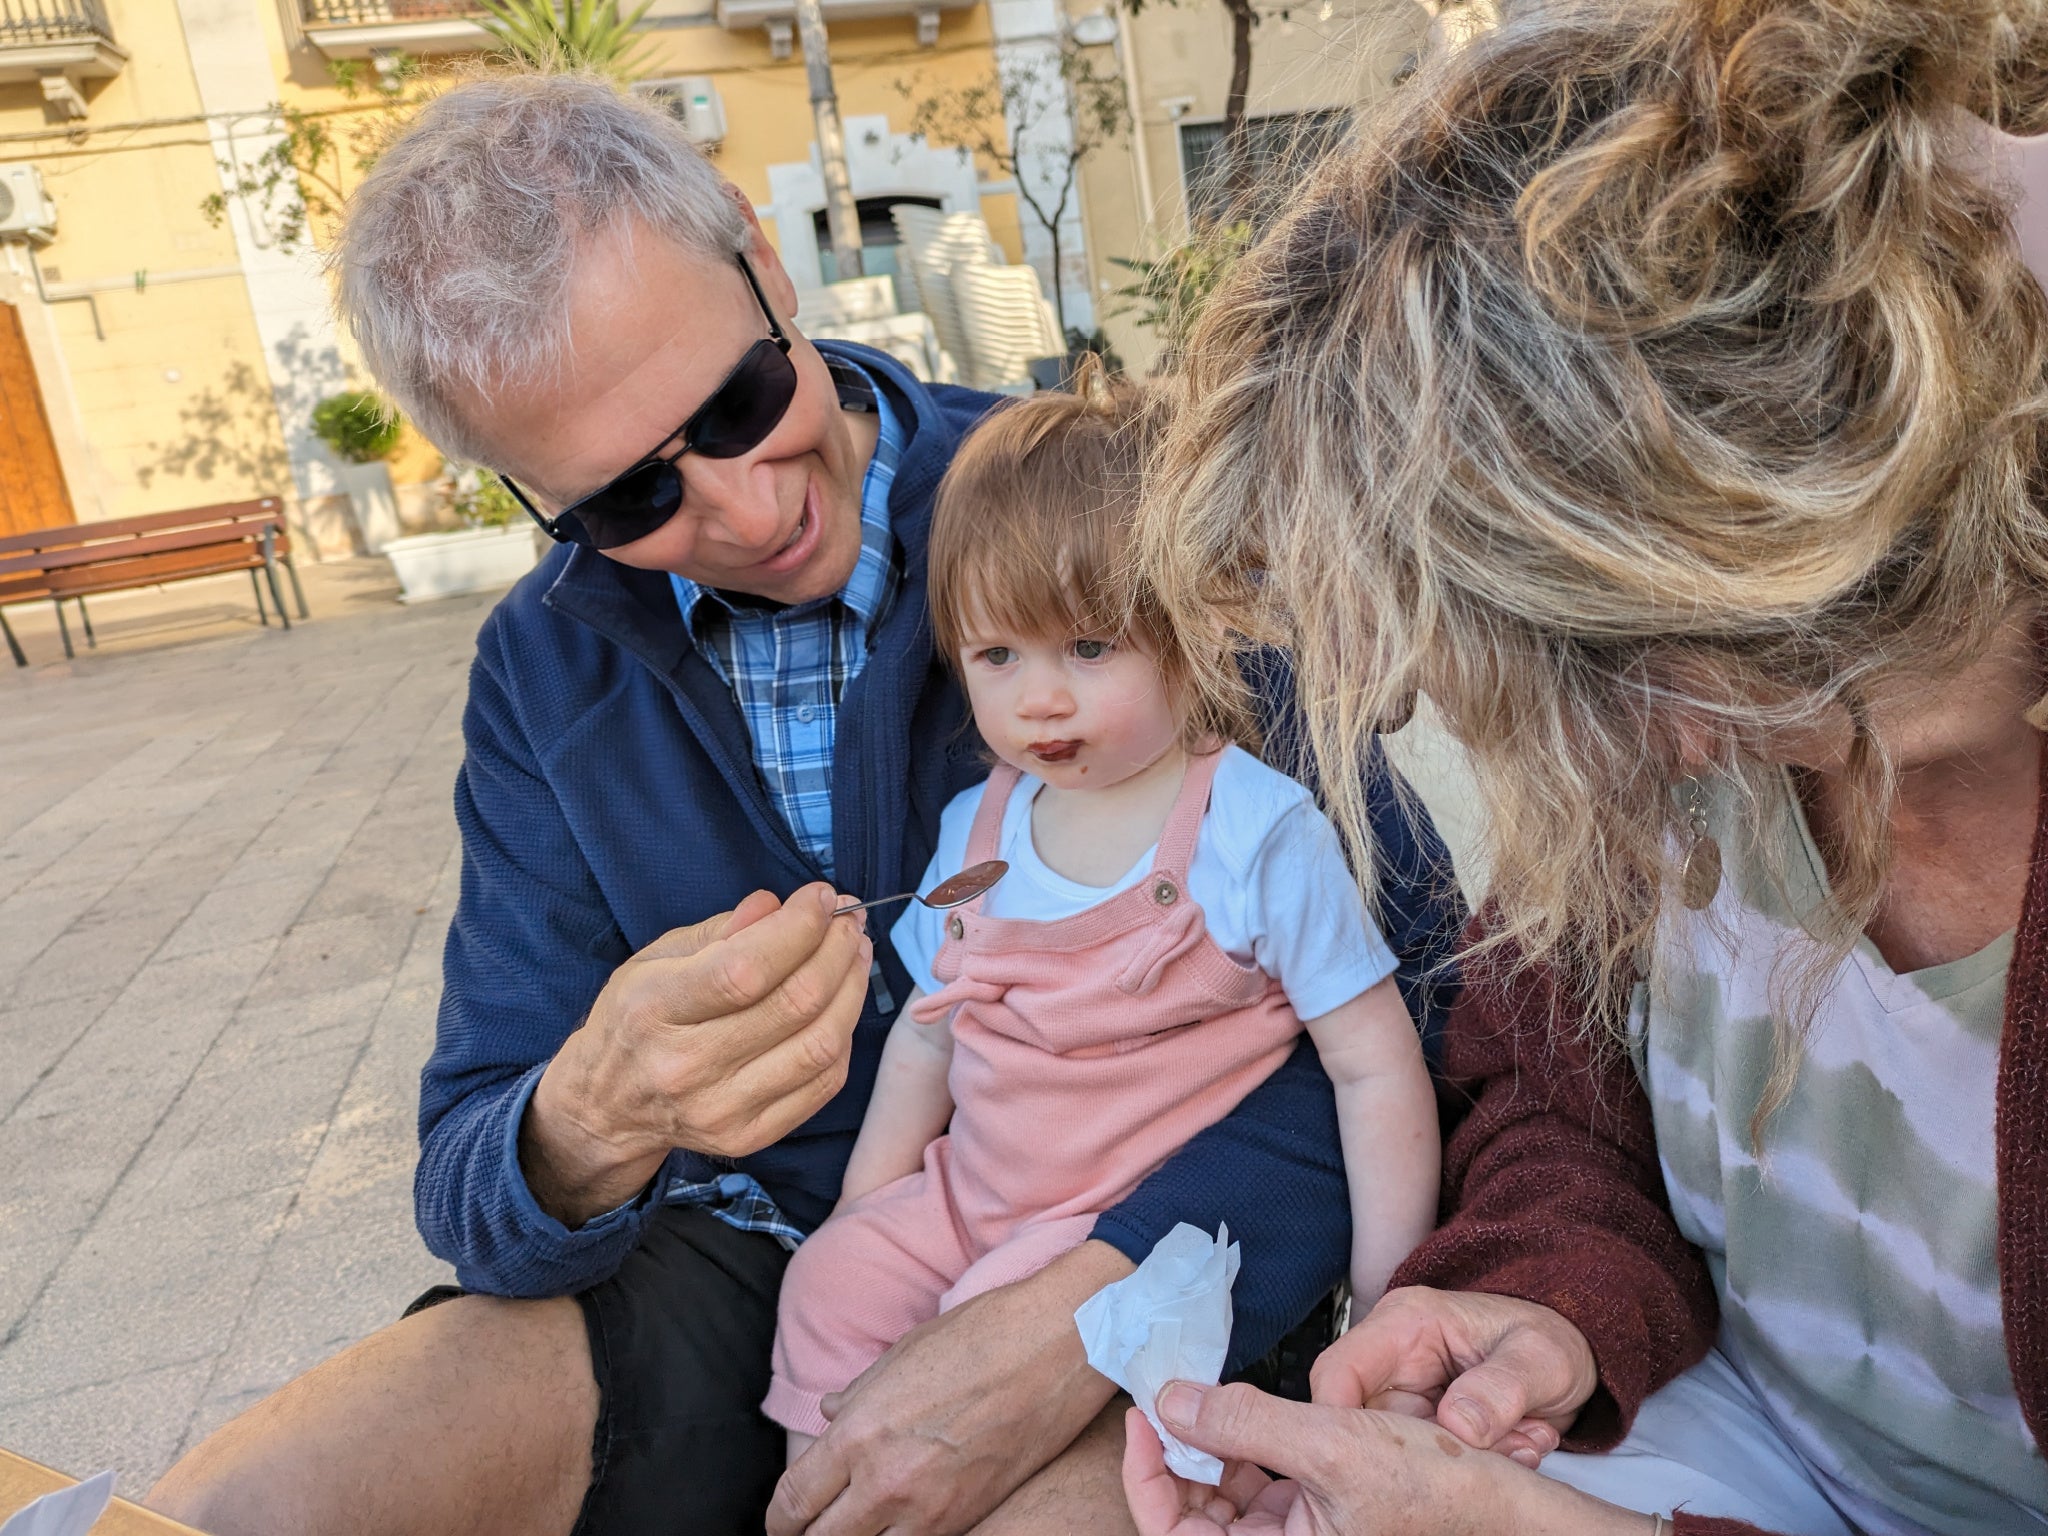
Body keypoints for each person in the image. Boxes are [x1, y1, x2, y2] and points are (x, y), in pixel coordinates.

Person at [144, 72, 1467, 1536]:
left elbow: (1427, 1000)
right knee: (273, 1496)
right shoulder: (545, 668)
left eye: (739, 402)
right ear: (528, 501)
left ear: (769, 271)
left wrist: (1087, 1306)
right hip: (762, 1259)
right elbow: (474, 1171)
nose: (751, 512)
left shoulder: (1086, 516)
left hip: (1159, 1234)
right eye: (629, 504)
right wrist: (592, 1116)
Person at [1114, 0, 2048, 1532]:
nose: (1457, 719)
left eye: (1482, 657)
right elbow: (1556, 1108)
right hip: (1731, 1435)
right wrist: (1538, 1312)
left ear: (1686, 576)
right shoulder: (1681, 764)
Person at [764, 376, 1440, 1453]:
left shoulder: (1250, 831)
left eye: (1087, 649)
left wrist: (1386, 1292)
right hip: (966, 1194)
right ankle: (824, 1495)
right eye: (997, 656)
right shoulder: (975, 834)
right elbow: (925, 1044)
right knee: (826, 1286)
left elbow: (1372, 1064)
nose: (1040, 699)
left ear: (1187, 633)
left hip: (1109, 1230)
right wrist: (865, 1211)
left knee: (972, 1340)